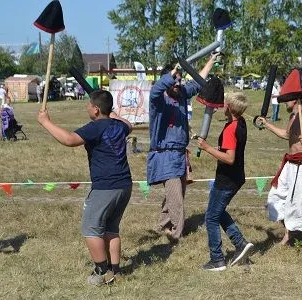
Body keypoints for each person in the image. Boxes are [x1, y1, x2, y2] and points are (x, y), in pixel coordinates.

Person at [37, 90, 133, 286]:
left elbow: (69, 140)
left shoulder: (95, 127)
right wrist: (112, 114)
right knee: (111, 229)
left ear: (96, 109)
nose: (86, 107)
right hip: (124, 185)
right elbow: (129, 125)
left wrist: (45, 122)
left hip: (105, 187)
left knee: (91, 229)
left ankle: (102, 272)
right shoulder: (119, 126)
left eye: (89, 105)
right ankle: (116, 270)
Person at [148, 53, 219, 242]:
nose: (178, 84)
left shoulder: (180, 95)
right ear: (166, 80)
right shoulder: (157, 100)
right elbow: (156, 89)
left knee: (176, 194)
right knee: (176, 199)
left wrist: (210, 62)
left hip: (180, 154)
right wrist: (173, 73)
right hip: (165, 155)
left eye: (179, 81)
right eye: (174, 80)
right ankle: (177, 235)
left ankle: (162, 225)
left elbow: (197, 83)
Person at [258, 69, 302, 251]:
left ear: (295, 99)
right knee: (276, 196)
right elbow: (286, 134)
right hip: (289, 164)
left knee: (299, 202)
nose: (284, 103)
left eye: (287, 99)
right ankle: (289, 233)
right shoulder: (292, 116)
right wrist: (267, 124)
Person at [197, 92, 254, 271]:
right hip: (235, 176)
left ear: (229, 107)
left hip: (227, 179)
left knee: (211, 217)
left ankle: (217, 260)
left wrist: (207, 148)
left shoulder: (230, 129)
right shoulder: (240, 122)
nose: (223, 105)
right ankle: (240, 243)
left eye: (225, 103)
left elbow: (229, 158)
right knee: (218, 212)